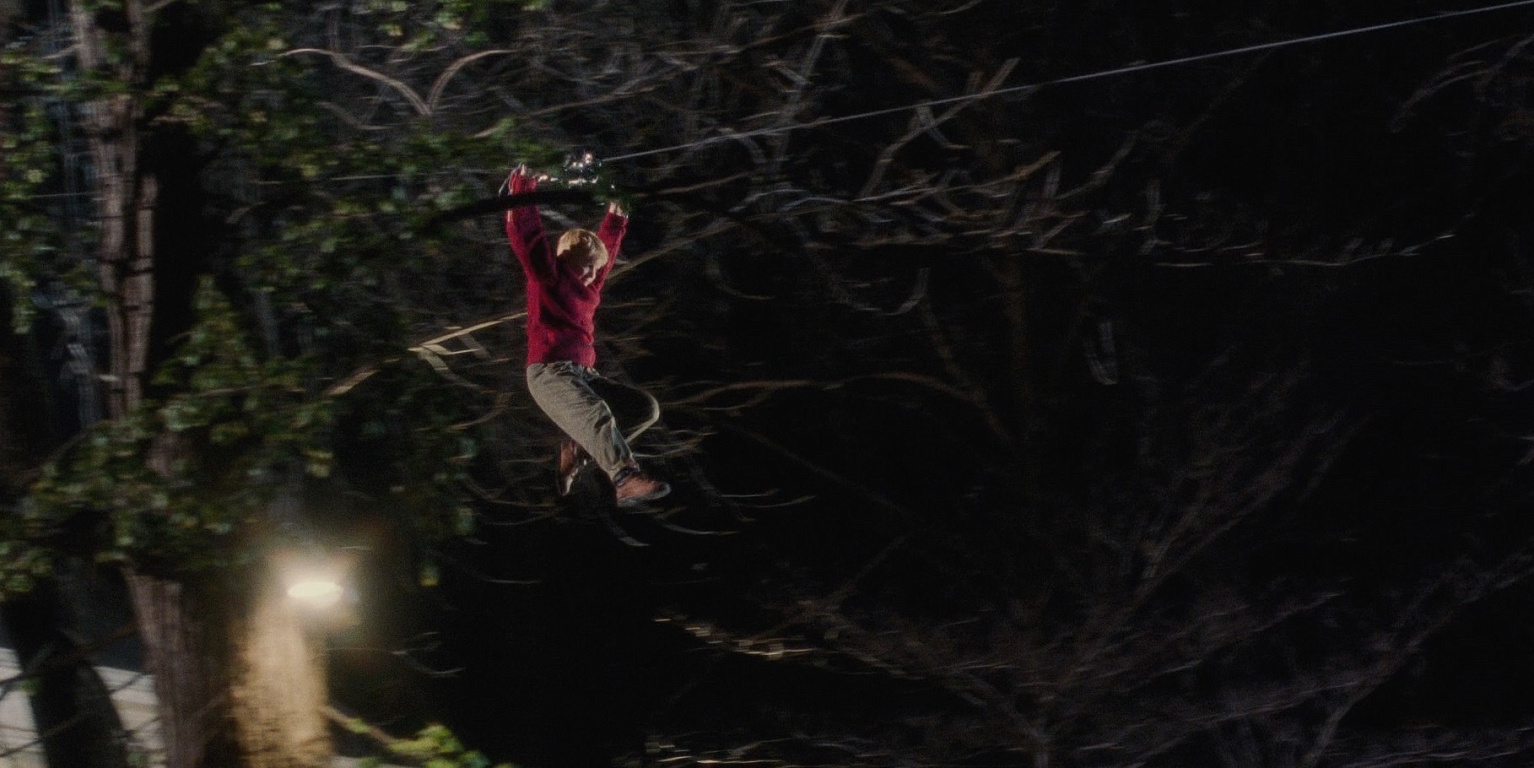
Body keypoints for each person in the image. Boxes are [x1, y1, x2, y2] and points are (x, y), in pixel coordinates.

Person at [503, 165, 671, 506]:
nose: (592, 275)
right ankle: (624, 478)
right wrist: (524, 183)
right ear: (566, 257)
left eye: (596, 270)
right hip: (549, 373)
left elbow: (607, 249)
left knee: (644, 408)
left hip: (584, 375)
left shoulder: (589, 286)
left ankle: (577, 449)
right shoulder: (546, 276)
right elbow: (527, 235)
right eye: (586, 266)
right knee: (597, 414)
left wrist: (618, 212)